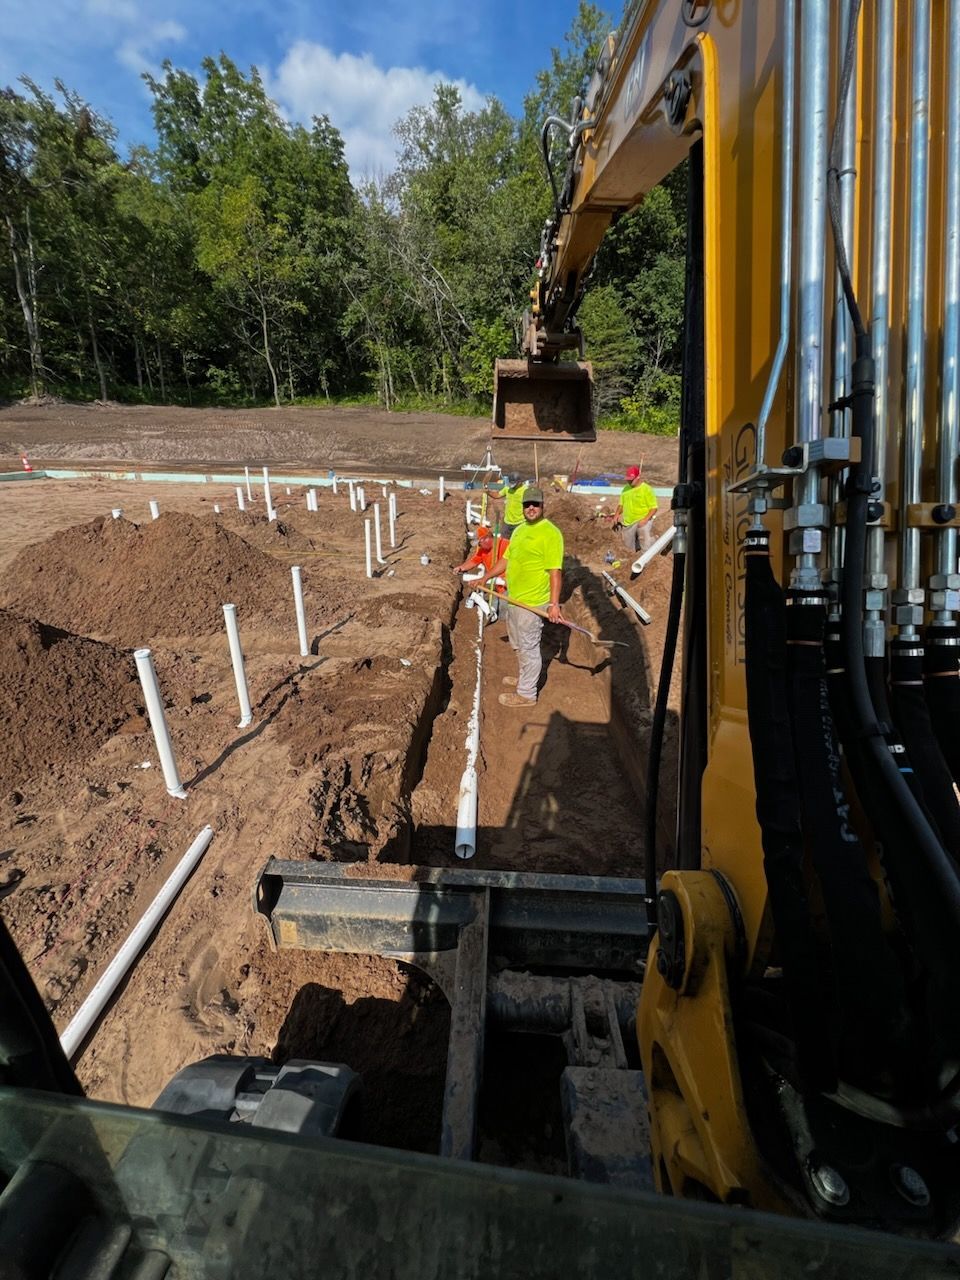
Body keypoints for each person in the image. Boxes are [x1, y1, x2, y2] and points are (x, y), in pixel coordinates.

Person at [478, 486, 564, 708]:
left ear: (543, 506)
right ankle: (526, 678)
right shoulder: (518, 531)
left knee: (528, 647)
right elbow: (506, 560)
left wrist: (554, 604)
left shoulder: (551, 533)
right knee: (518, 644)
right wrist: (486, 577)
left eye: (535, 504)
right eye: (527, 505)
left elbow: (555, 572)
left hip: (533, 602)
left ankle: (526, 694)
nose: (531, 508)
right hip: (514, 598)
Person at [614, 464, 658, 554]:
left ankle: (646, 560)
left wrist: (645, 520)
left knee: (645, 543)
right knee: (628, 548)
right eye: (628, 480)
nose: (629, 482)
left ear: (638, 477)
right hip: (628, 522)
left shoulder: (646, 489)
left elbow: (654, 508)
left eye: (631, 480)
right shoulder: (625, 489)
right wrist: (616, 514)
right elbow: (621, 505)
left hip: (642, 521)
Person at [485, 472, 527, 538]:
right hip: (507, 522)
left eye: (514, 484)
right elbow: (497, 495)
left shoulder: (525, 491)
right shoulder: (507, 489)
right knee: (503, 542)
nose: (512, 486)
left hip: (519, 523)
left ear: (519, 482)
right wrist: (488, 491)